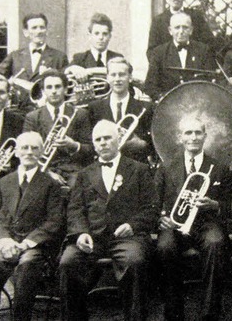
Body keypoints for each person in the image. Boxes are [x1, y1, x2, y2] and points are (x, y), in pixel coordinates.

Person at [59, 120, 158, 321]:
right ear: (94, 144)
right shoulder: (84, 174)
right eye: (98, 139)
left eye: (107, 138)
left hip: (127, 238)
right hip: (92, 239)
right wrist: (81, 233)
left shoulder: (139, 169)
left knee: (135, 261)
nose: (103, 143)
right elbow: (75, 209)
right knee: (68, 262)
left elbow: (152, 208)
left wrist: (133, 225)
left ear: (119, 139)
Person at [0, 132, 64, 321]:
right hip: (6, 243)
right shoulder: (2, 183)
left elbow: (54, 221)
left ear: (42, 152)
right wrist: (4, 241)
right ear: (16, 152)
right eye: (24, 147)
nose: (29, 152)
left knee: (27, 264)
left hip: (35, 246)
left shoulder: (51, 184)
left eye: (34, 148)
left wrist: (26, 244)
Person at [155, 117, 232, 321]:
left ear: (205, 136)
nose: (193, 137)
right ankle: (174, 312)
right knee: (164, 248)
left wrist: (215, 205)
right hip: (174, 225)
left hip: (207, 223)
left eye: (198, 133)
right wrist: (161, 218)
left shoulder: (219, 167)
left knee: (216, 243)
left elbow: (231, 204)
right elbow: (154, 201)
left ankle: (210, 313)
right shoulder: (166, 167)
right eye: (188, 133)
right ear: (181, 137)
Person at [23, 69, 94, 186]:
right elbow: (26, 151)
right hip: (43, 170)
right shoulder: (33, 117)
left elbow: (91, 149)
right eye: (49, 87)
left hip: (74, 170)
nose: (54, 91)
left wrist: (74, 146)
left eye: (58, 87)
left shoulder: (80, 114)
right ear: (43, 91)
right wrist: (48, 173)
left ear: (65, 89)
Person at [0, 13, 69, 115]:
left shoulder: (59, 56)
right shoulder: (15, 56)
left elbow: (66, 86)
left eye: (42, 27)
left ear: (46, 30)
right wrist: (8, 83)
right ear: (26, 32)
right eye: (34, 28)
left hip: (47, 113)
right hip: (18, 112)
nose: (38, 31)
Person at [87, 57, 154, 164]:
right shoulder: (94, 108)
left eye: (122, 74)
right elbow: (89, 143)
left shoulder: (146, 108)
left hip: (136, 167)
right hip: (104, 166)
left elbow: (155, 144)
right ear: (107, 78)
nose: (117, 79)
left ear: (130, 77)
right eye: (113, 75)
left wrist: (143, 144)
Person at [145, 12, 217, 101]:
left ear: (191, 30)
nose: (181, 31)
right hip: (168, 105)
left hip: (197, 103)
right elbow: (150, 85)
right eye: (177, 27)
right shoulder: (159, 52)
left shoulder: (203, 51)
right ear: (170, 31)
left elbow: (210, 82)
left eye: (185, 27)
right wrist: (163, 98)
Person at [147, 0, 215, 56]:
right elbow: (151, 52)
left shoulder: (196, 17)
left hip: (193, 67)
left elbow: (209, 44)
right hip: (167, 67)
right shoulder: (158, 21)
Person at [66, 13, 123, 80]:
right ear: (89, 36)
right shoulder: (79, 58)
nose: (101, 37)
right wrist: (72, 68)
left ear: (110, 36)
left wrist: (89, 71)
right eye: (96, 33)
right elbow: (63, 76)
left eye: (105, 34)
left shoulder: (117, 57)